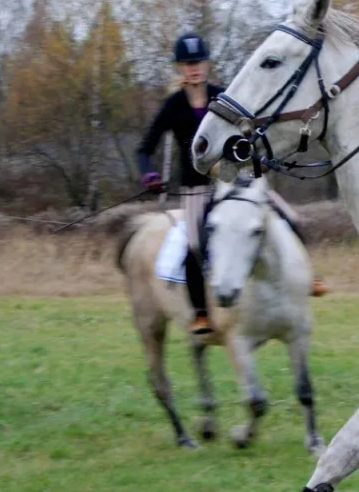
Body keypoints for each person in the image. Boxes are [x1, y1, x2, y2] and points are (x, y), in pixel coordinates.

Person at [138, 34, 325, 343]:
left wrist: (258, 157)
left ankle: (309, 277)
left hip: (233, 179)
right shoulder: (172, 107)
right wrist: (149, 175)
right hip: (197, 188)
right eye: (187, 64)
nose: (194, 69)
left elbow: (248, 134)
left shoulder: (222, 96)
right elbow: (144, 150)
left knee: (288, 217)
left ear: (207, 64)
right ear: (180, 69)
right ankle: (201, 313)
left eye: (198, 62)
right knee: (195, 245)